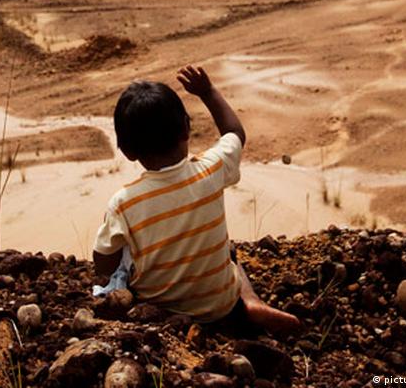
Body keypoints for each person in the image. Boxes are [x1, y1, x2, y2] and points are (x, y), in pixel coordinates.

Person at [93, 65, 301, 336]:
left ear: (128, 151)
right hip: (221, 305)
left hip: (161, 311)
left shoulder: (123, 203)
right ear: (186, 130)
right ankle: (250, 301)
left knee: (123, 257)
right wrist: (208, 92)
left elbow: (103, 263)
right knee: (228, 251)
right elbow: (235, 133)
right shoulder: (212, 168)